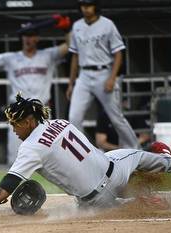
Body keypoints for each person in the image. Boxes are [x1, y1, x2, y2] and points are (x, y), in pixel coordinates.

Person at [0, 93, 171, 217]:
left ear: (28, 121)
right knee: (136, 155)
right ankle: (169, 164)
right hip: (115, 170)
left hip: (94, 200)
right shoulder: (61, 122)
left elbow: (9, 182)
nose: (13, 129)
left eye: (15, 124)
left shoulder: (30, 148)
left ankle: (140, 201)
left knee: (99, 207)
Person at [0, 15, 71, 165]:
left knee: (49, 155)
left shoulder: (48, 55)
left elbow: (71, 46)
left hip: (41, 110)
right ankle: (13, 186)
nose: (27, 38)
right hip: (18, 111)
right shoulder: (10, 58)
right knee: (16, 156)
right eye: (25, 35)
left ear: (37, 38)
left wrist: (66, 29)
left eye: (31, 35)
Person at [66, 0, 139, 149]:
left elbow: (118, 53)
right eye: (83, 5)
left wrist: (113, 78)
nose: (85, 8)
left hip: (104, 72)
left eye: (89, 5)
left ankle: (135, 150)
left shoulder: (107, 24)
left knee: (116, 118)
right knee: (73, 118)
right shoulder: (77, 26)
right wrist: (71, 83)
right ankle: (83, 153)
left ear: (96, 6)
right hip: (84, 75)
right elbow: (75, 55)